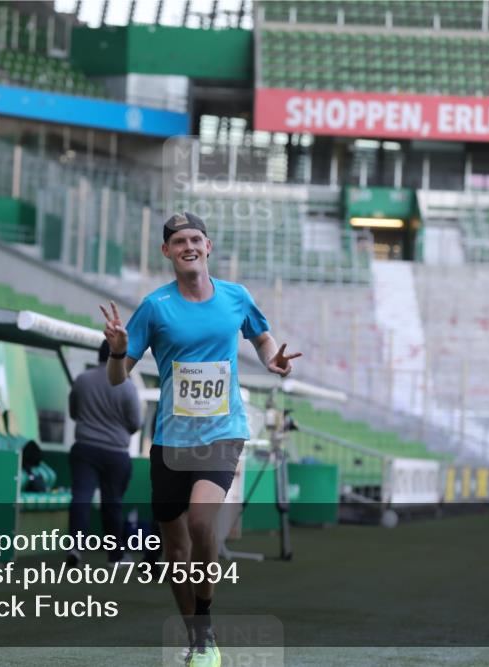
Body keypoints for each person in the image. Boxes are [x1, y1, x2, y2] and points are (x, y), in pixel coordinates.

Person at [99, 211, 301, 667]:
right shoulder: (155, 307)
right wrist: (117, 352)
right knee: (175, 551)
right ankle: (197, 637)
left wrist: (273, 360)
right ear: (166, 251)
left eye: (195, 239)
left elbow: (262, 338)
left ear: (208, 246)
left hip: (222, 432)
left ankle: (205, 625)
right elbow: (117, 377)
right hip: (172, 440)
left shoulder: (236, 297)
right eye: (179, 241)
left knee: (201, 523)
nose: (188, 247)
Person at [66, 340, 142, 566]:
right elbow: (135, 424)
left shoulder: (82, 379)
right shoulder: (128, 386)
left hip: (85, 448)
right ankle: (114, 556)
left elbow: (74, 412)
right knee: (113, 503)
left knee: (81, 497)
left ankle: (75, 547)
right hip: (116, 453)